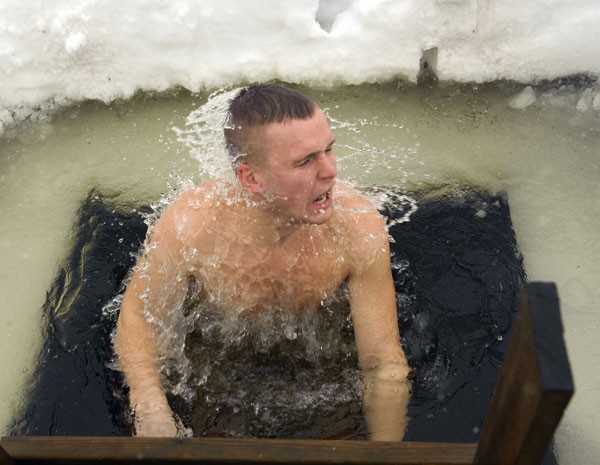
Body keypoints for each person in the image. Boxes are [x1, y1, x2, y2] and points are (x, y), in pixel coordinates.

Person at [115, 83, 411, 440]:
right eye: (305, 161)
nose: (330, 171)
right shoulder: (192, 228)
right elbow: (139, 318)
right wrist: (149, 404)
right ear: (251, 178)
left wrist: (386, 455)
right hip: (217, 367)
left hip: (320, 365)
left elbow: (381, 364)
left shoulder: (357, 228)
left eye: (329, 150)